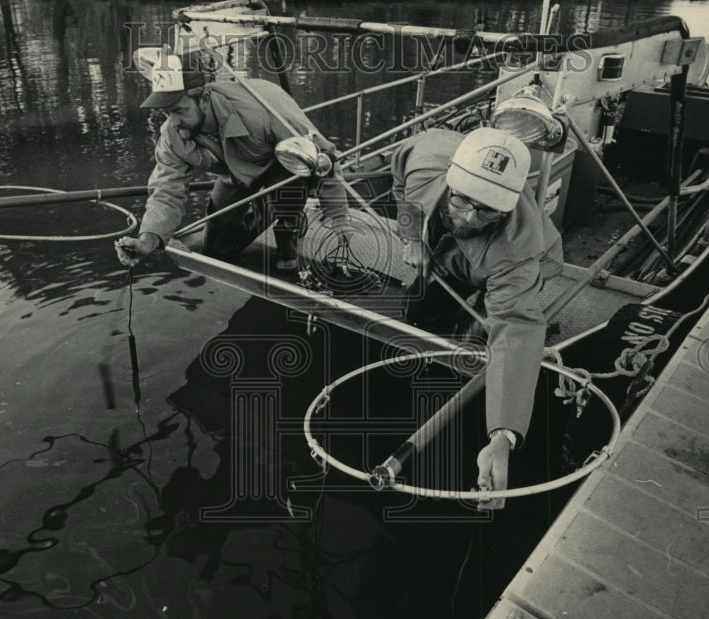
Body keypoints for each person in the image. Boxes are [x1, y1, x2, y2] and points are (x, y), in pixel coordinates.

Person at [391, 126, 563, 509]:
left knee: (482, 342)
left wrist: (503, 435)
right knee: (417, 313)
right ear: (449, 179)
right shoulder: (425, 160)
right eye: (463, 200)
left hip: (505, 268)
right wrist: (412, 237)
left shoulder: (517, 253)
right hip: (448, 254)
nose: (468, 217)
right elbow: (400, 182)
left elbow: (515, 329)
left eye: (486, 209)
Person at [116, 53, 349, 271]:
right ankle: (269, 209)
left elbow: (323, 158)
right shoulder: (171, 136)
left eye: (179, 110)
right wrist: (148, 240)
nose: (174, 122)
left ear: (204, 99)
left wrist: (338, 218)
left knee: (295, 185)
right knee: (216, 250)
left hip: (282, 165)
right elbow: (166, 191)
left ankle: (290, 225)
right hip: (236, 174)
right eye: (167, 113)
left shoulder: (264, 111)